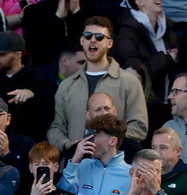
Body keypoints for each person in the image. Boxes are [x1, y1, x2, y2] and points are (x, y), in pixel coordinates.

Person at [49, 17, 148, 150]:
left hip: (115, 164)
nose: (93, 40)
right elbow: (56, 128)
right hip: (78, 165)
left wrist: (109, 142)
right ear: (82, 41)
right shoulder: (66, 86)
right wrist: (69, 145)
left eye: (100, 37)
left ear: (110, 43)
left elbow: (139, 127)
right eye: (88, 36)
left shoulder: (129, 82)